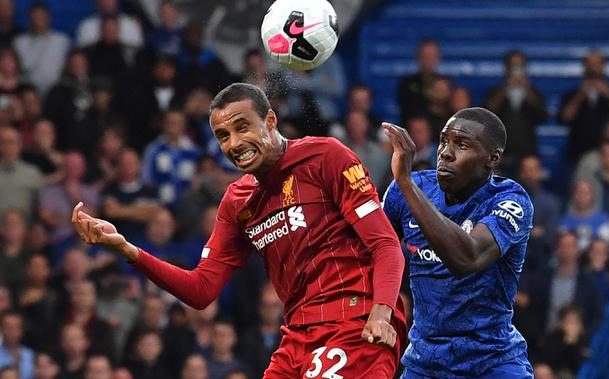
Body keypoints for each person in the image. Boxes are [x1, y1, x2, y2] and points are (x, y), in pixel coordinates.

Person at [72, 82, 407, 378]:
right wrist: (128, 250)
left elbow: (385, 244)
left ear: (270, 120)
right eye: (222, 136)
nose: (234, 143)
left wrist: (381, 313)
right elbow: (200, 290)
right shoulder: (238, 201)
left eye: (242, 127)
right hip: (297, 338)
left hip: (356, 323)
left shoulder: (325, 157)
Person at [382, 107, 534, 378]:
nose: (445, 152)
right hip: (424, 364)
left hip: (492, 362)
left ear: (492, 158)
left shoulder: (510, 201)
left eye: (461, 144)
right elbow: (374, 252)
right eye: (444, 141)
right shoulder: (411, 189)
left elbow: (467, 258)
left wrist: (405, 182)